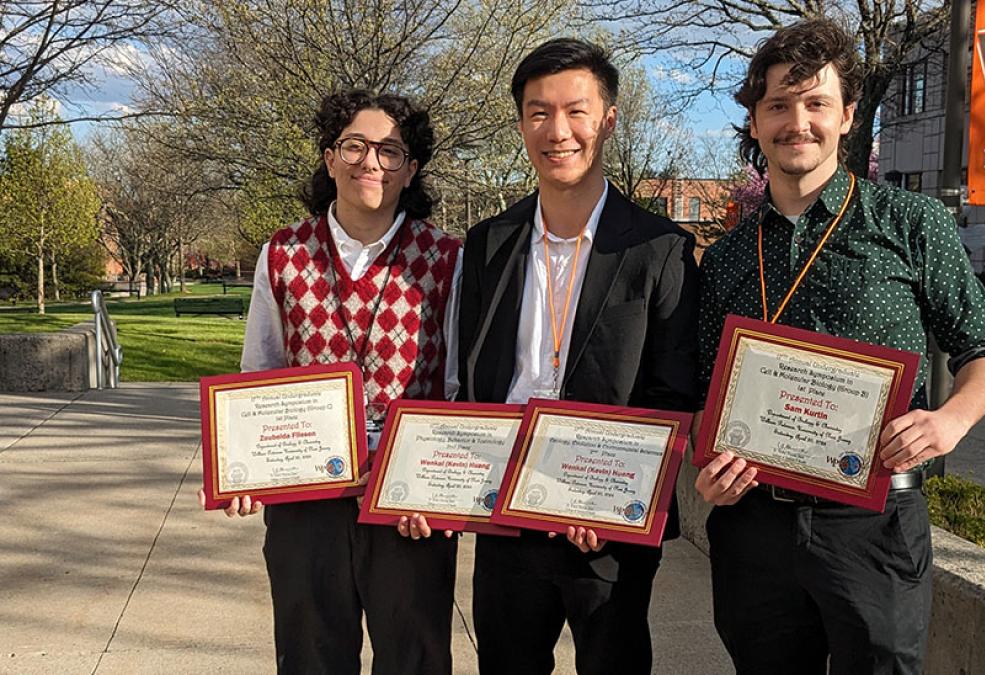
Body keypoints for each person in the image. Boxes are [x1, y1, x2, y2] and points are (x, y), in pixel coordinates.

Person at [693, 19, 985, 675]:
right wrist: (707, 471)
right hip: (754, 526)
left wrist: (950, 420)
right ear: (754, 122)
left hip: (875, 522)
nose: (797, 121)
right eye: (778, 105)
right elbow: (705, 392)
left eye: (815, 103)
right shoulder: (724, 257)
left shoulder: (909, 222)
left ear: (846, 115)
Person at [455, 38, 699, 675]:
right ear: (520, 123)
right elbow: (472, 382)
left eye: (575, 111)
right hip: (505, 515)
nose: (557, 131)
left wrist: (613, 500)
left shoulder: (660, 248)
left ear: (608, 120)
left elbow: (672, 395)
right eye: (538, 112)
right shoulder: (487, 245)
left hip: (608, 521)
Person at [200, 89, 461, 675]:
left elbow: (455, 382)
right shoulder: (282, 253)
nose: (371, 162)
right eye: (355, 146)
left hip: (405, 499)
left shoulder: (446, 256)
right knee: (310, 655)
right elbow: (258, 373)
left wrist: (440, 489)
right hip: (305, 500)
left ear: (411, 168)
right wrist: (242, 467)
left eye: (391, 151)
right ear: (329, 157)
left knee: (414, 658)